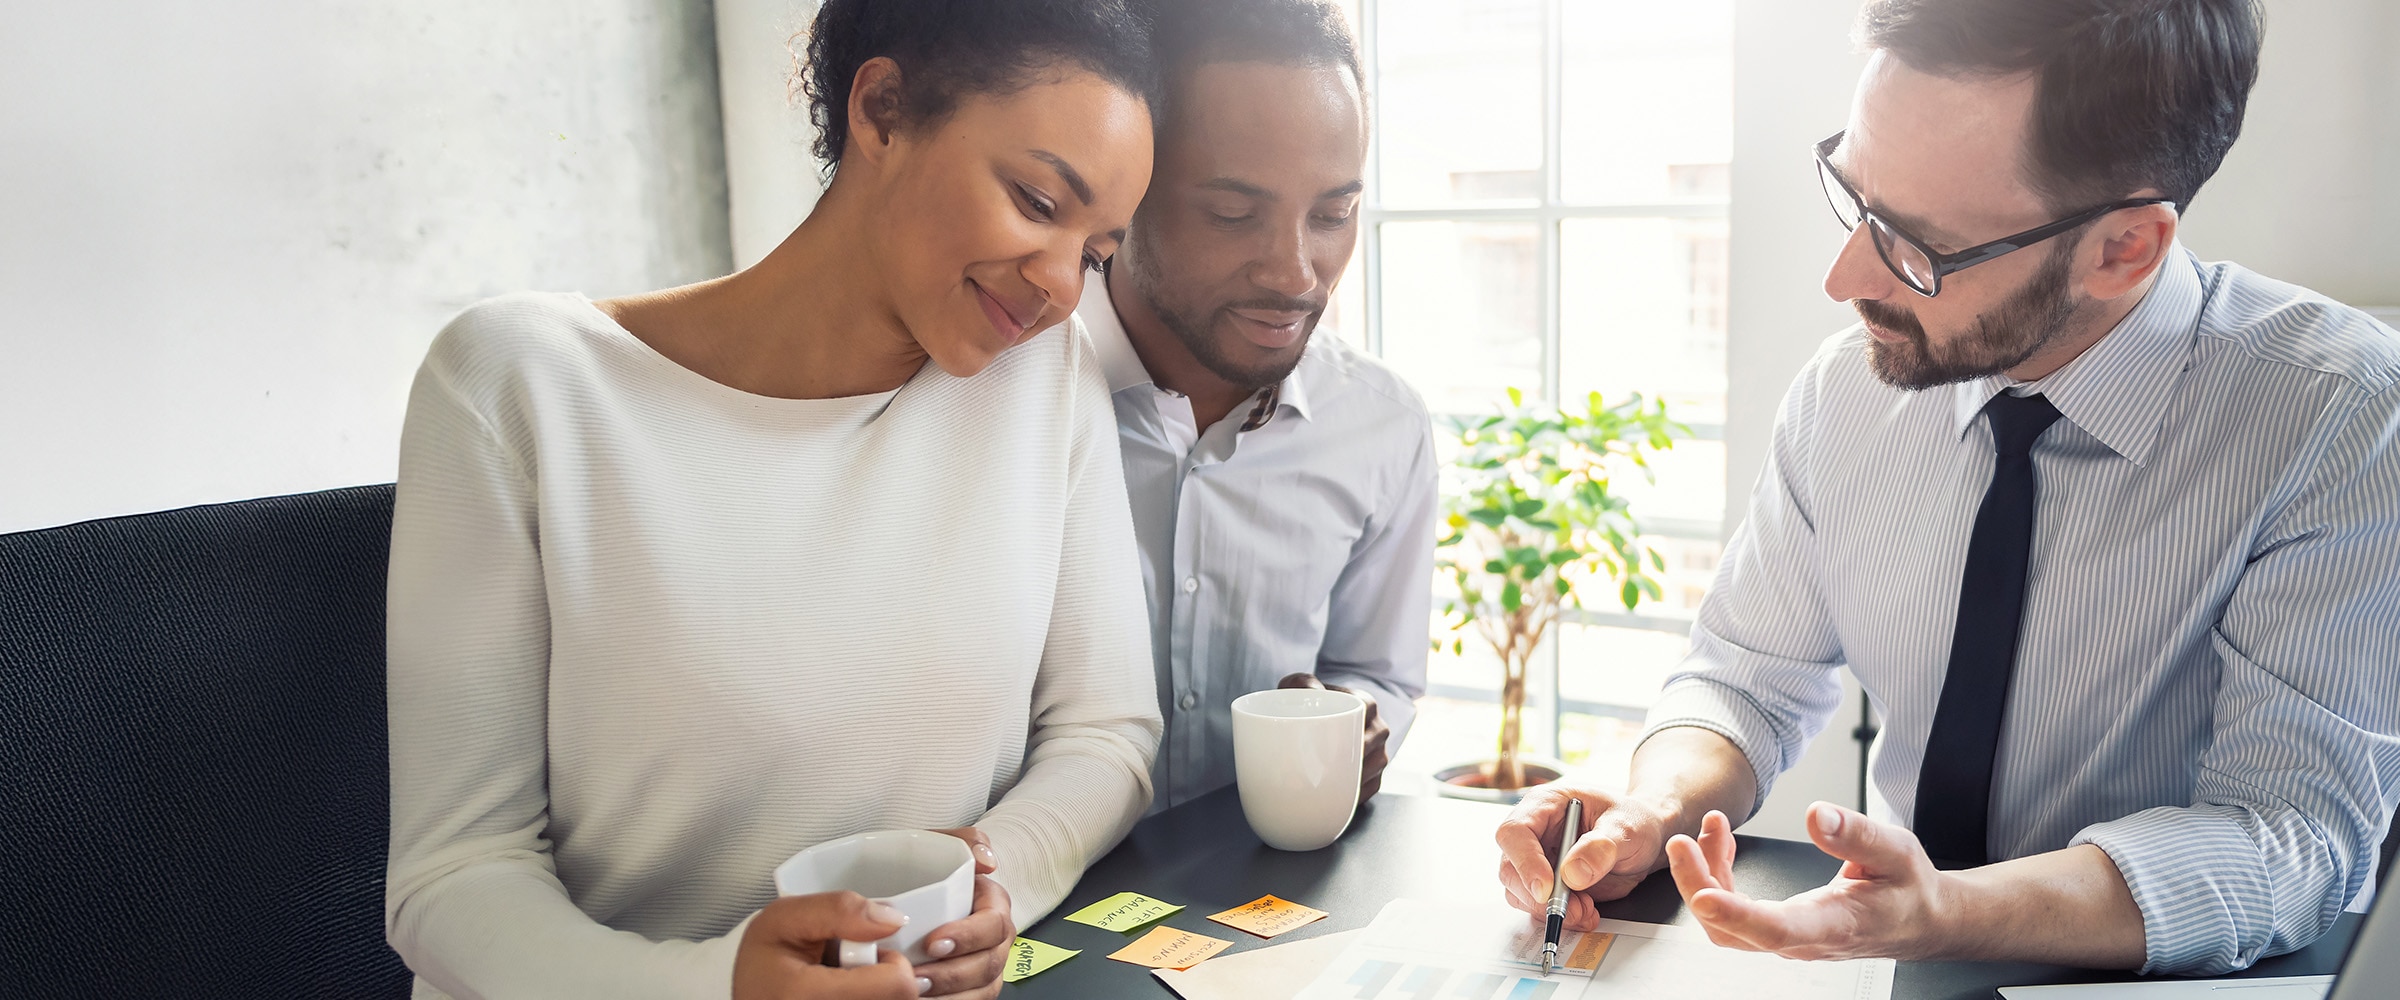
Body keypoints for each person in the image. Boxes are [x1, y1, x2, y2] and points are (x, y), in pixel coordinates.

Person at [1495, 0, 2400, 977]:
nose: (1844, 279)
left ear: (2122, 249)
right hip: (1893, 966)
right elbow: (1742, 678)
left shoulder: (2339, 417)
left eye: (1916, 246)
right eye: (1855, 197)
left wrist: (1944, 910)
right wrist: (1651, 803)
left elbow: (2290, 837)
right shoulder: (1848, 392)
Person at [382, 2, 1163, 997]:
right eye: (1039, 203)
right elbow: (452, 878)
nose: (1061, 285)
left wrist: (984, 876)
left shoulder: (1043, 378)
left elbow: (1108, 734)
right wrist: (718, 987)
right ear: (881, 110)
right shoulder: (517, 385)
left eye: (1097, 253)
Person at [1075, 0, 1435, 811]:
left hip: (1268, 901)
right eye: (1234, 215)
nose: (1296, 273)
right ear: (1127, 189)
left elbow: (1378, 674)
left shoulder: (1383, 426)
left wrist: (1360, 722)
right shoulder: (1006, 396)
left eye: (1333, 214)